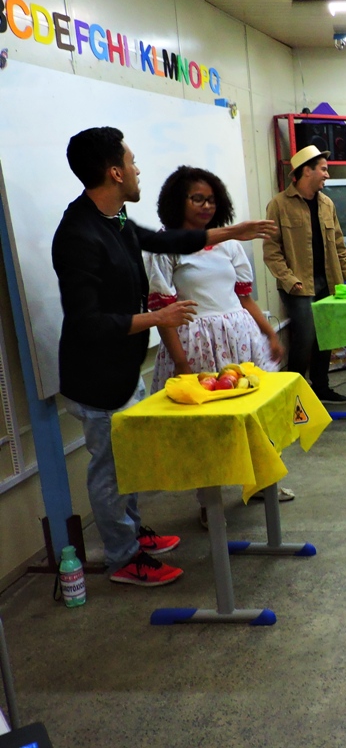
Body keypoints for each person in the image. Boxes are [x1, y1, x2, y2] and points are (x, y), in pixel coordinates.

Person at [51, 126, 275, 587]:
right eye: (131, 162)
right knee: (110, 471)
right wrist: (159, 318)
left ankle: (133, 535)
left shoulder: (113, 219)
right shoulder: (79, 233)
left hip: (122, 366)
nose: (137, 170)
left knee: (127, 461)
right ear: (114, 172)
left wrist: (233, 231)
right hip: (96, 376)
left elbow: (166, 240)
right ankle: (122, 559)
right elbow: (86, 323)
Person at [144, 166, 291, 527]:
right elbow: (163, 311)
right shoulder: (166, 247)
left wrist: (269, 334)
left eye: (211, 199)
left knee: (253, 414)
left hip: (240, 340)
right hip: (196, 346)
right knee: (205, 428)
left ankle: (261, 482)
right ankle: (208, 502)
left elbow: (244, 298)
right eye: (197, 199)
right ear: (178, 202)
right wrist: (181, 363)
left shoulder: (229, 244)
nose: (206, 206)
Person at [263, 144, 346, 404]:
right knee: (305, 335)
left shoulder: (327, 204)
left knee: (325, 334)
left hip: (328, 282)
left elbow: (339, 246)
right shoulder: (279, 205)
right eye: (323, 169)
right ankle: (294, 392)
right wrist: (289, 280)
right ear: (307, 171)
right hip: (297, 285)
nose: (327, 175)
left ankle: (321, 387)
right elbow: (271, 251)